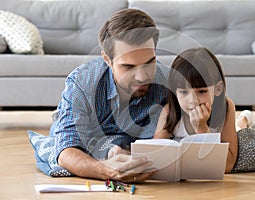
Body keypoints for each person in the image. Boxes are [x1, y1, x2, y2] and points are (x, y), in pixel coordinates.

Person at [51, 9, 169, 183]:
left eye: (149, 63)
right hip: (89, 133)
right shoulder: (82, 82)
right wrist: (108, 171)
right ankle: (62, 114)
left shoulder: (170, 82)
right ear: (107, 59)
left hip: (129, 143)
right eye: (128, 67)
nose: (142, 77)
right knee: (59, 134)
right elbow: (65, 152)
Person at [154, 47, 252, 173]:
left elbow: (228, 165)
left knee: (240, 127)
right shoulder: (170, 110)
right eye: (183, 92)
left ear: (217, 89)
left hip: (222, 130)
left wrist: (202, 129)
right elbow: (155, 152)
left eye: (201, 91)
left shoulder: (226, 107)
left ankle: (244, 118)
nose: (192, 101)